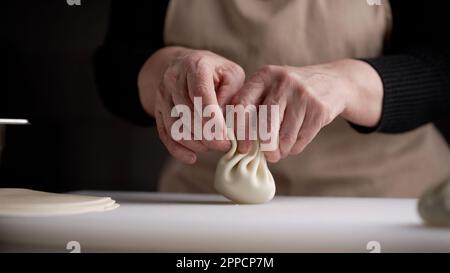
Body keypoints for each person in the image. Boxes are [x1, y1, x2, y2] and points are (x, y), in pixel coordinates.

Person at [94, 0, 450, 197]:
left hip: (380, 205)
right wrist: (167, 72)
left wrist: (347, 83)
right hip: (204, 208)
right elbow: (116, 62)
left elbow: (443, 64)